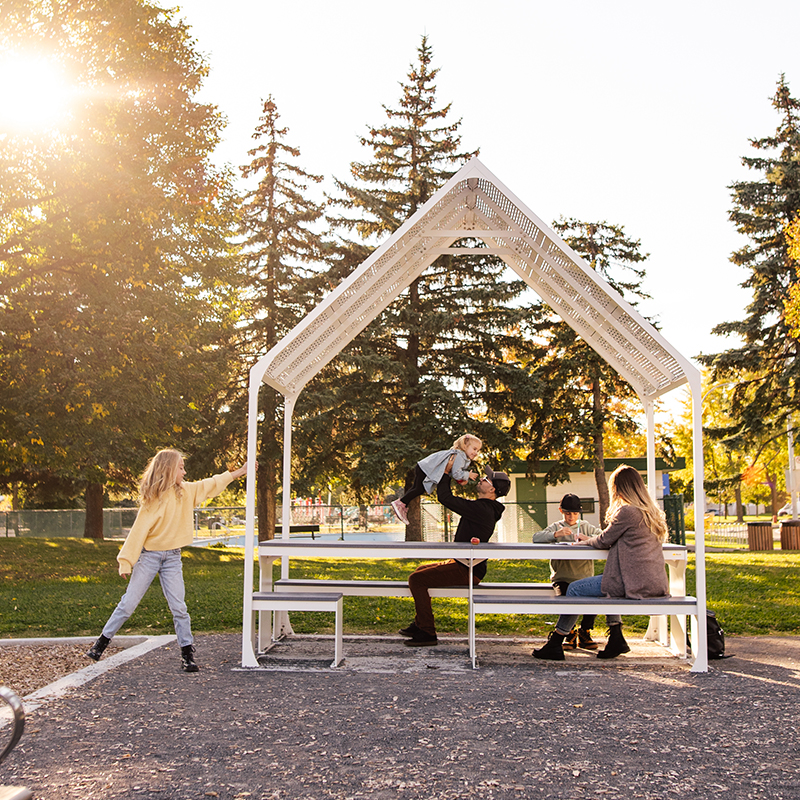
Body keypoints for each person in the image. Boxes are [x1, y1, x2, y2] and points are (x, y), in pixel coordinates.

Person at [86, 449, 250, 672]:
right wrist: (126, 561)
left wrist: (240, 472)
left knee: (179, 607)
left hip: (173, 558)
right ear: (169, 470)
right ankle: (100, 645)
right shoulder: (152, 499)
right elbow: (138, 531)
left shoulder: (186, 491)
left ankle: (187, 654)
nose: (184, 471)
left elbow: (210, 484)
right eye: (181, 468)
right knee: (128, 604)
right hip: (149, 557)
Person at [533, 464, 669, 662]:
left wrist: (584, 541)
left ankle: (556, 642)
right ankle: (616, 638)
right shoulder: (651, 512)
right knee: (607, 587)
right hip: (653, 580)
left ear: (620, 488)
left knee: (575, 590)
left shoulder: (628, 512)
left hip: (632, 582)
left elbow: (603, 540)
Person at [400, 464, 510, 646]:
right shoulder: (484, 507)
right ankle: (420, 622)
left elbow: (445, 498)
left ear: (492, 489)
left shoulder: (483, 509)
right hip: (464, 564)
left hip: (468, 569)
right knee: (420, 570)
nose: (481, 478)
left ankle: (427, 631)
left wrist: (445, 472)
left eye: (486, 479)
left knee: (416, 579)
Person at [532, 493, 602, 650]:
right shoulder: (557, 526)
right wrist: (556, 535)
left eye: (575, 513)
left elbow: (602, 536)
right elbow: (536, 537)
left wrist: (587, 538)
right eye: (568, 513)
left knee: (593, 600)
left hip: (584, 576)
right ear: (561, 511)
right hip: (562, 577)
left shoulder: (585, 526)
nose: (571, 517)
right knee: (565, 599)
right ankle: (568, 632)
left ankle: (585, 631)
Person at [391, 434, 482, 524]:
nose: (476, 453)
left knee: (416, 488)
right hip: (427, 468)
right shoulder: (460, 456)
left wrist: (461, 479)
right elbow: (456, 473)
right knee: (418, 489)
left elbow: (453, 471)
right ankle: (401, 503)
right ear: (465, 446)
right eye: (474, 449)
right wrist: (467, 475)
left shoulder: (459, 454)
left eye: (478, 450)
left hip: (424, 466)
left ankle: (402, 504)